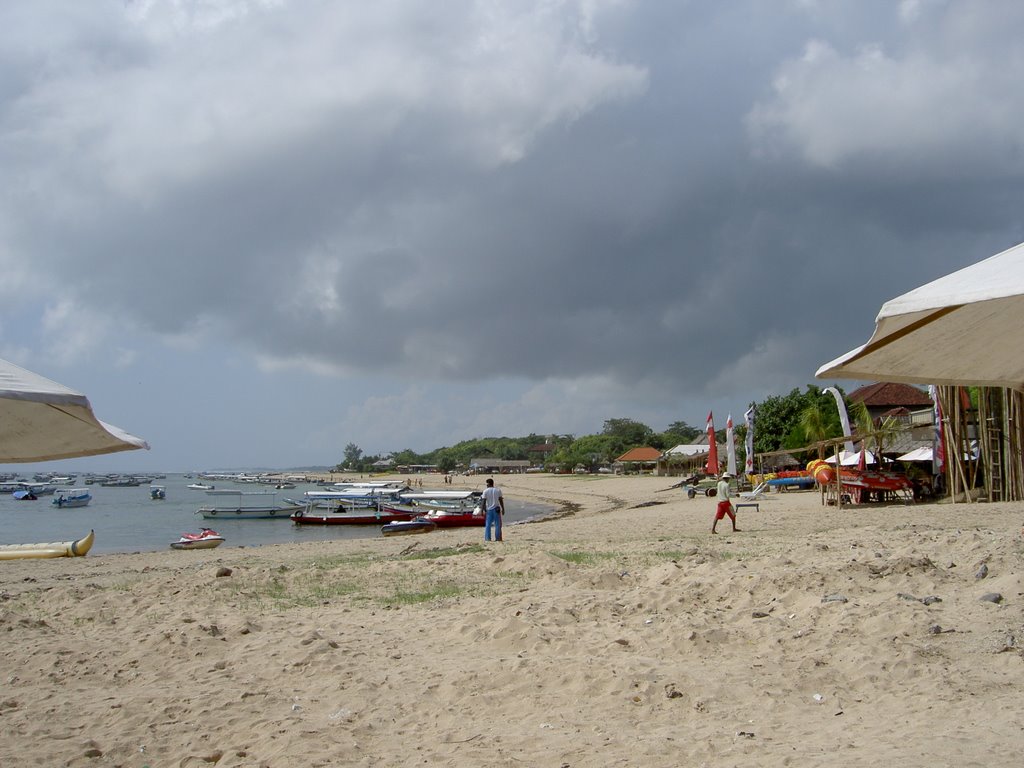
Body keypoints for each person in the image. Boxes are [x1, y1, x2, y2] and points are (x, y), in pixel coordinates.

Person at [481, 477, 505, 542]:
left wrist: (482, 510)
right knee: (498, 524)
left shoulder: (485, 491)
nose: (486, 485)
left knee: (488, 525)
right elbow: (500, 500)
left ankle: (488, 538)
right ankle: (498, 538)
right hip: (497, 509)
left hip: (489, 509)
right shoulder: (498, 490)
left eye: (487, 484)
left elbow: (483, 501)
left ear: (488, 484)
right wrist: (503, 508)